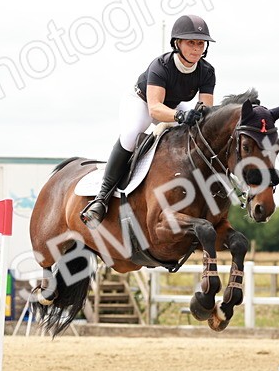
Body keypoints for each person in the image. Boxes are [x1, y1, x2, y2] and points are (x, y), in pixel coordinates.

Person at [80, 14, 216, 229]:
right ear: (177, 43)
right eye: (191, 42)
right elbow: (154, 108)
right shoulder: (161, 66)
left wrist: (198, 118)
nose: (197, 48)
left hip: (172, 105)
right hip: (142, 102)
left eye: (201, 43)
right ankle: (102, 198)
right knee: (132, 134)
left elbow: (206, 109)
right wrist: (181, 116)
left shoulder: (207, 71)